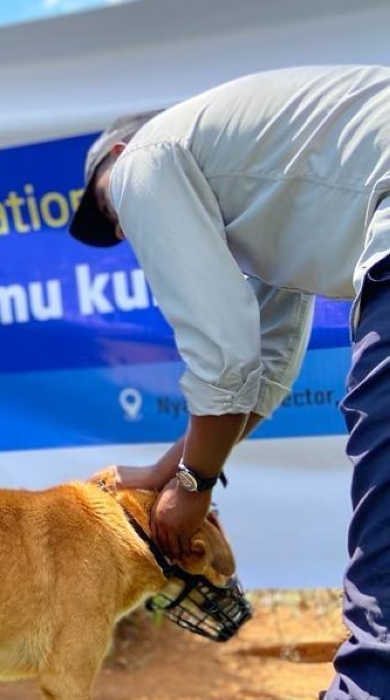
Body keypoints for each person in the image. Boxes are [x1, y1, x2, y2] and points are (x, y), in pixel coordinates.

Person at [67, 65, 390, 700]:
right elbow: (266, 370)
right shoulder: (262, 201)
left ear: (119, 159)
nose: (126, 230)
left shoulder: (146, 160)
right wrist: (174, 470)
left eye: (110, 208)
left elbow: (225, 356)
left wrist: (192, 485)